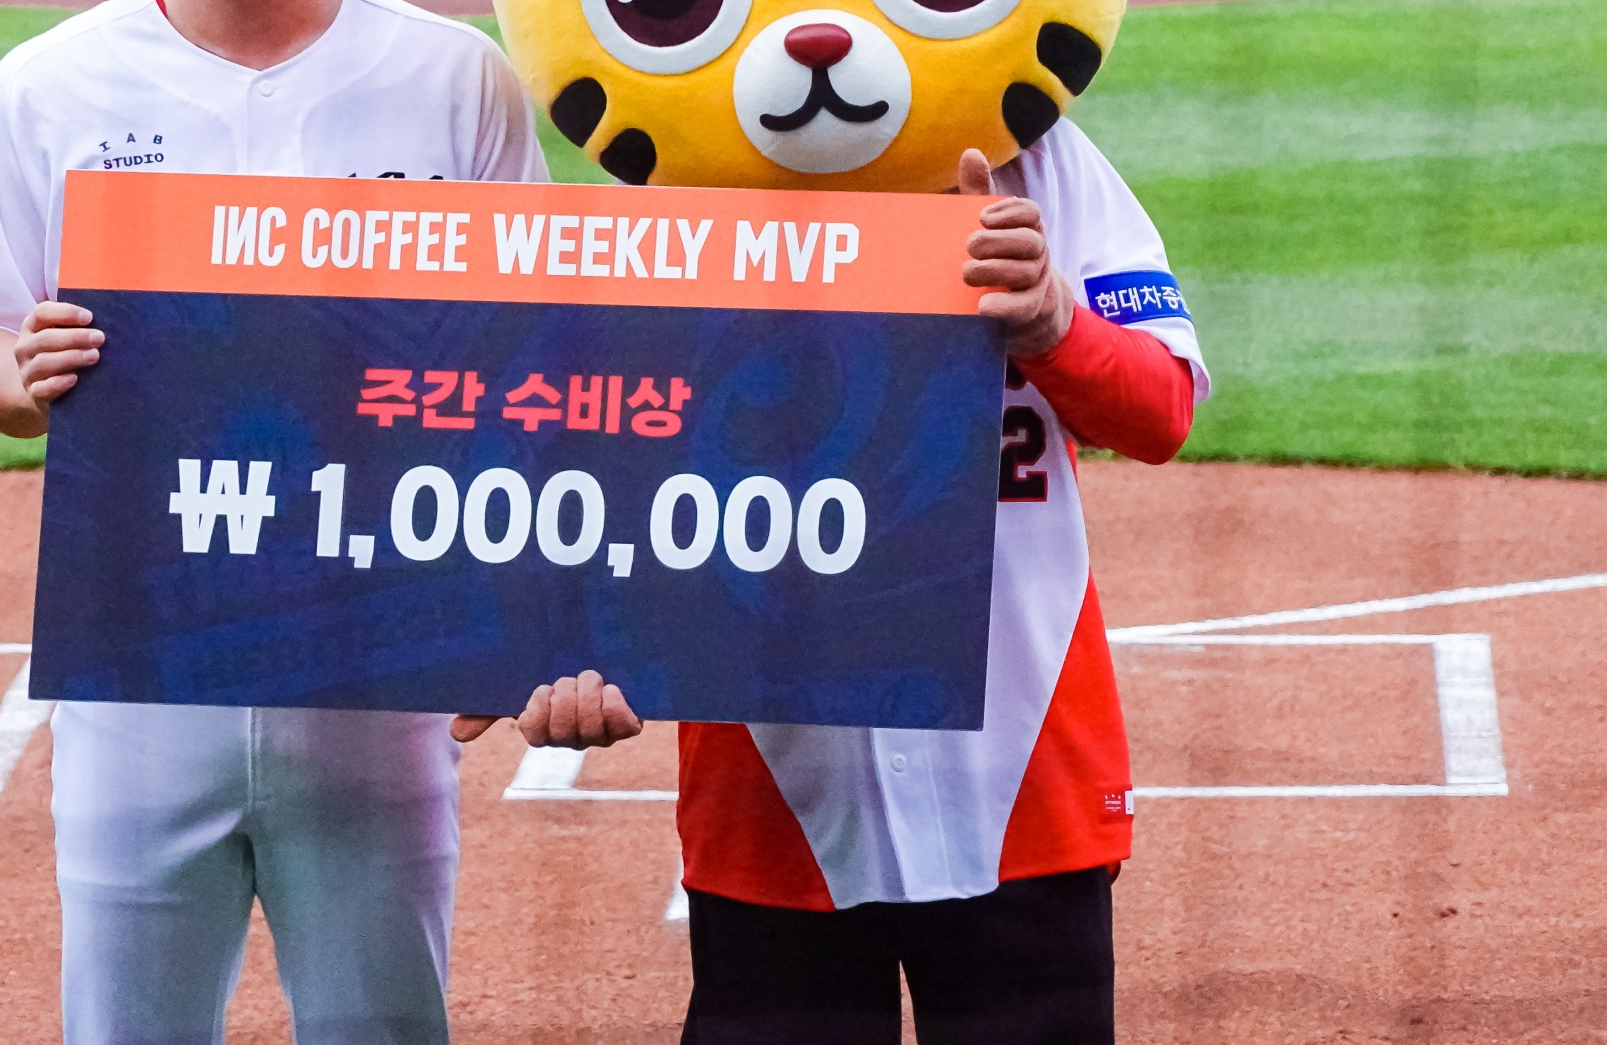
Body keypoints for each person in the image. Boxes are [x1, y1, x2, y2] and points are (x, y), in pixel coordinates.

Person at [0, 0, 546, 1045]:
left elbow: (527, 379)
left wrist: (510, 620)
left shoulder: (456, 81)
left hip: (375, 673)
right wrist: (25, 375)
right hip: (137, 670)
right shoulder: (49, 84)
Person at [464, 143, 1202, 1045]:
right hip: (769, 803)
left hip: (1022, 777)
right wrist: (562, 647)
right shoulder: (675, 170)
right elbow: (597, 466)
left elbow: (1162, 412)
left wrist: (1055, 323)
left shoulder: (1037, 163)